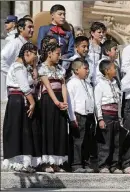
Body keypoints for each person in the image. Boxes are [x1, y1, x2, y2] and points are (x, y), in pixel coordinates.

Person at [2, 43, 40, 173]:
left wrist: (34, 66)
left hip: (23, 101)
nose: (35, 58)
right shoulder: (18, 67)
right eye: (34, 55)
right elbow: (24, 86)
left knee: (25, 130)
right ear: (27, 53)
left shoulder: (25, 67)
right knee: (17, 129)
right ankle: (17, 161)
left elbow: (34, 82)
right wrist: (32, 103)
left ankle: (25, 162)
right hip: (18, 101)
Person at [38, 42, 68, 173]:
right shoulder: (41, 68)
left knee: (58, 130)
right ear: (49, 54)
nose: (59, 56)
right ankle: (46, 162)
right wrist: (56, 102)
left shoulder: (60, 69)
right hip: (48, 101)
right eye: (57, 53)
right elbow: (48, 87)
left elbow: (63, 85)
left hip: (60, 100)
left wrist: (65, 102)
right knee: (48, 129)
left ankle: (56, 162)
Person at [67, 59, 95, 173]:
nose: (87, 71)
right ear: (77, 70)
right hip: (78, 115)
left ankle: (86, 163)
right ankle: (76, 164)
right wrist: (72, 118)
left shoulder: (88, 84)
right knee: (78, 141)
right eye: (85, 68)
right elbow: (70, 102)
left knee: (87, 140)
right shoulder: (71, 83)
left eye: (88, 69)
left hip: (89, 114)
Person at [95, 60, 122, 174]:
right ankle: (103, 165)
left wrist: (120, 117)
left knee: (116, 142)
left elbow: (119, 101)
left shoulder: (115, 83)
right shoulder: (100, 85)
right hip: (106, 115)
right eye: (113, 68)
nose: (115, 70)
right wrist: (100, 118)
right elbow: (97, 103)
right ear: (106, 71)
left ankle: (114, 165)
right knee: (105, 141)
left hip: (116, 115)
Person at [1, 18, 34, 102]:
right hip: (17, 91)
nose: (32, 30)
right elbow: (2, 59)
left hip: (28, 89)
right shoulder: (14, 43)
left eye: (33, 27)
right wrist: (12, 73)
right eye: (29, 27)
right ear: (20, 28)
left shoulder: (30, 44)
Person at [88, 22, 107, 86]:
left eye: (103, 32)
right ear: (92, 33)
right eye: (99, 32)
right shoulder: (86, 45)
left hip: (98, 80)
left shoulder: (103, 48)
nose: (101, 34)